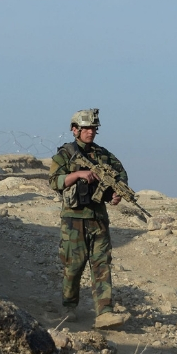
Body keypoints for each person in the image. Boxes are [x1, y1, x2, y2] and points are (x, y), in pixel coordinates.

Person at [47, 108, 130, 330]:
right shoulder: (65, 154)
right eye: (86, 129)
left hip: (98, 217)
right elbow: (54, 181)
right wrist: (77, 175)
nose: (90, 132)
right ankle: (69, 306)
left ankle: (105, 311)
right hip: (74, 219)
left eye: (93, 128)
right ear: (75, 130)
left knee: (102, 264)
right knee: (73, 265)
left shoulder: (103, 155)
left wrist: (117, 192)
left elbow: (120, 173)